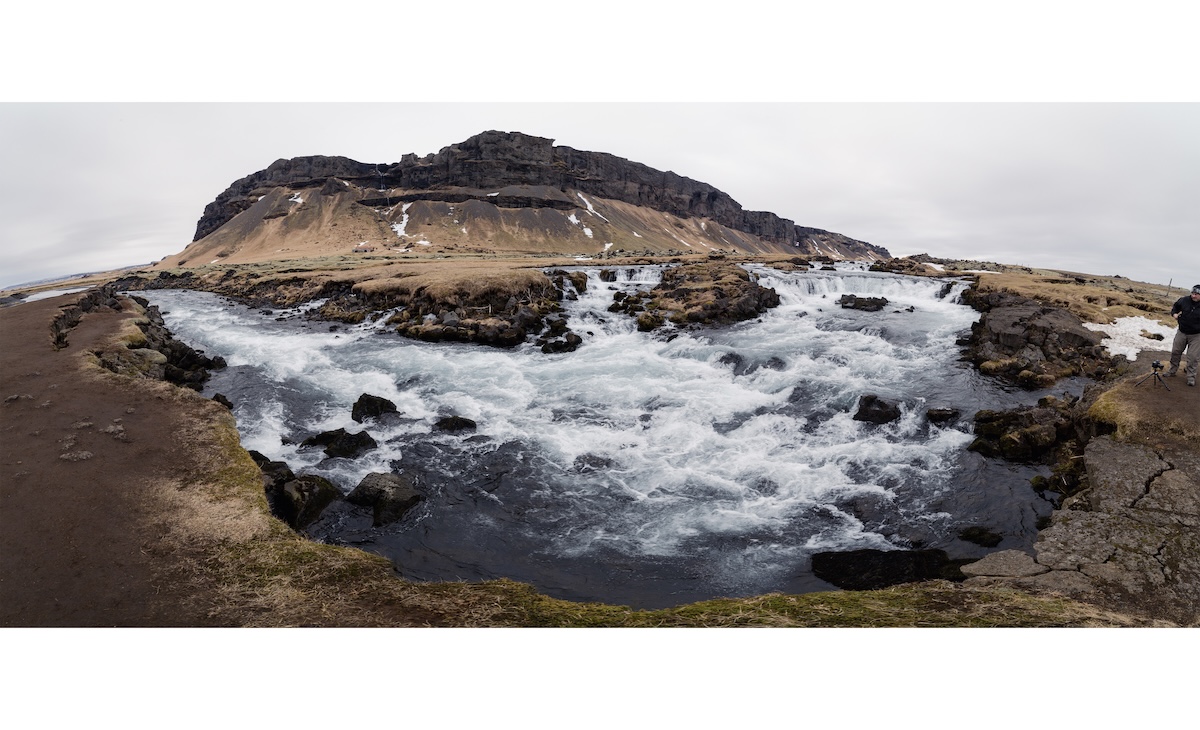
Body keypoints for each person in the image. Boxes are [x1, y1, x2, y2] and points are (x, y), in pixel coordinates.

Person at [1167, 284, 1200, 386]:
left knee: (1193, 357)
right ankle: (1172, 371)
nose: (1194, 296)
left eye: (1197, 294)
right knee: (1176, 351)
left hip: (1196, 335)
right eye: (1193, 293)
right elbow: (1175, 308)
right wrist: (1174, 314)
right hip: (1182, 331)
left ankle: (1191, 377)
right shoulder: (1184, 300)